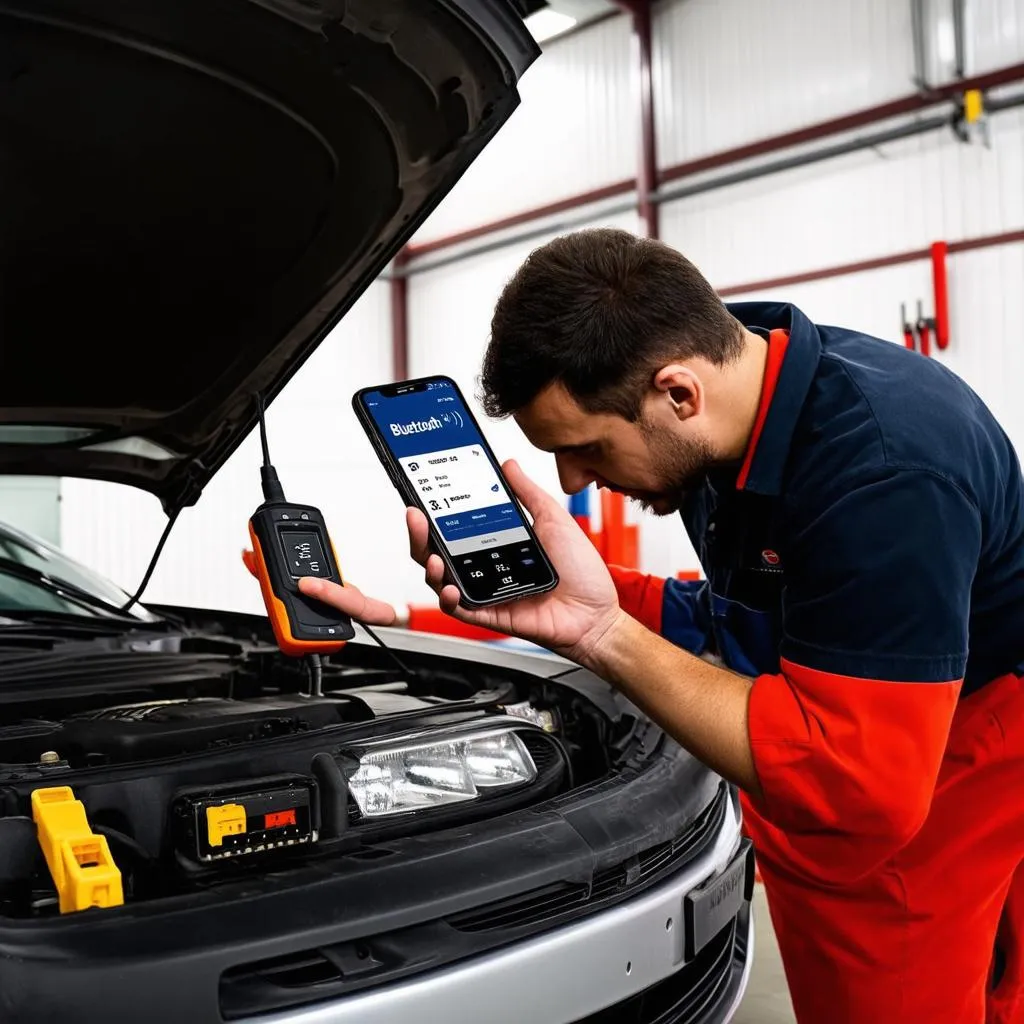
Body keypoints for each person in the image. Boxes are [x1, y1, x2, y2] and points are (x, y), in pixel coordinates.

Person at [300, 228, 1024, 1024]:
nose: (575, 481)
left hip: (966, 729)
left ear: (678, 393)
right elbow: (731, 618)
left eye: (584, 449)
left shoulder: (882, 470)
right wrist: (419, 616)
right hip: (921, 689)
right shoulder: (732, 398)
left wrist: (602, 638)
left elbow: (860, 788)